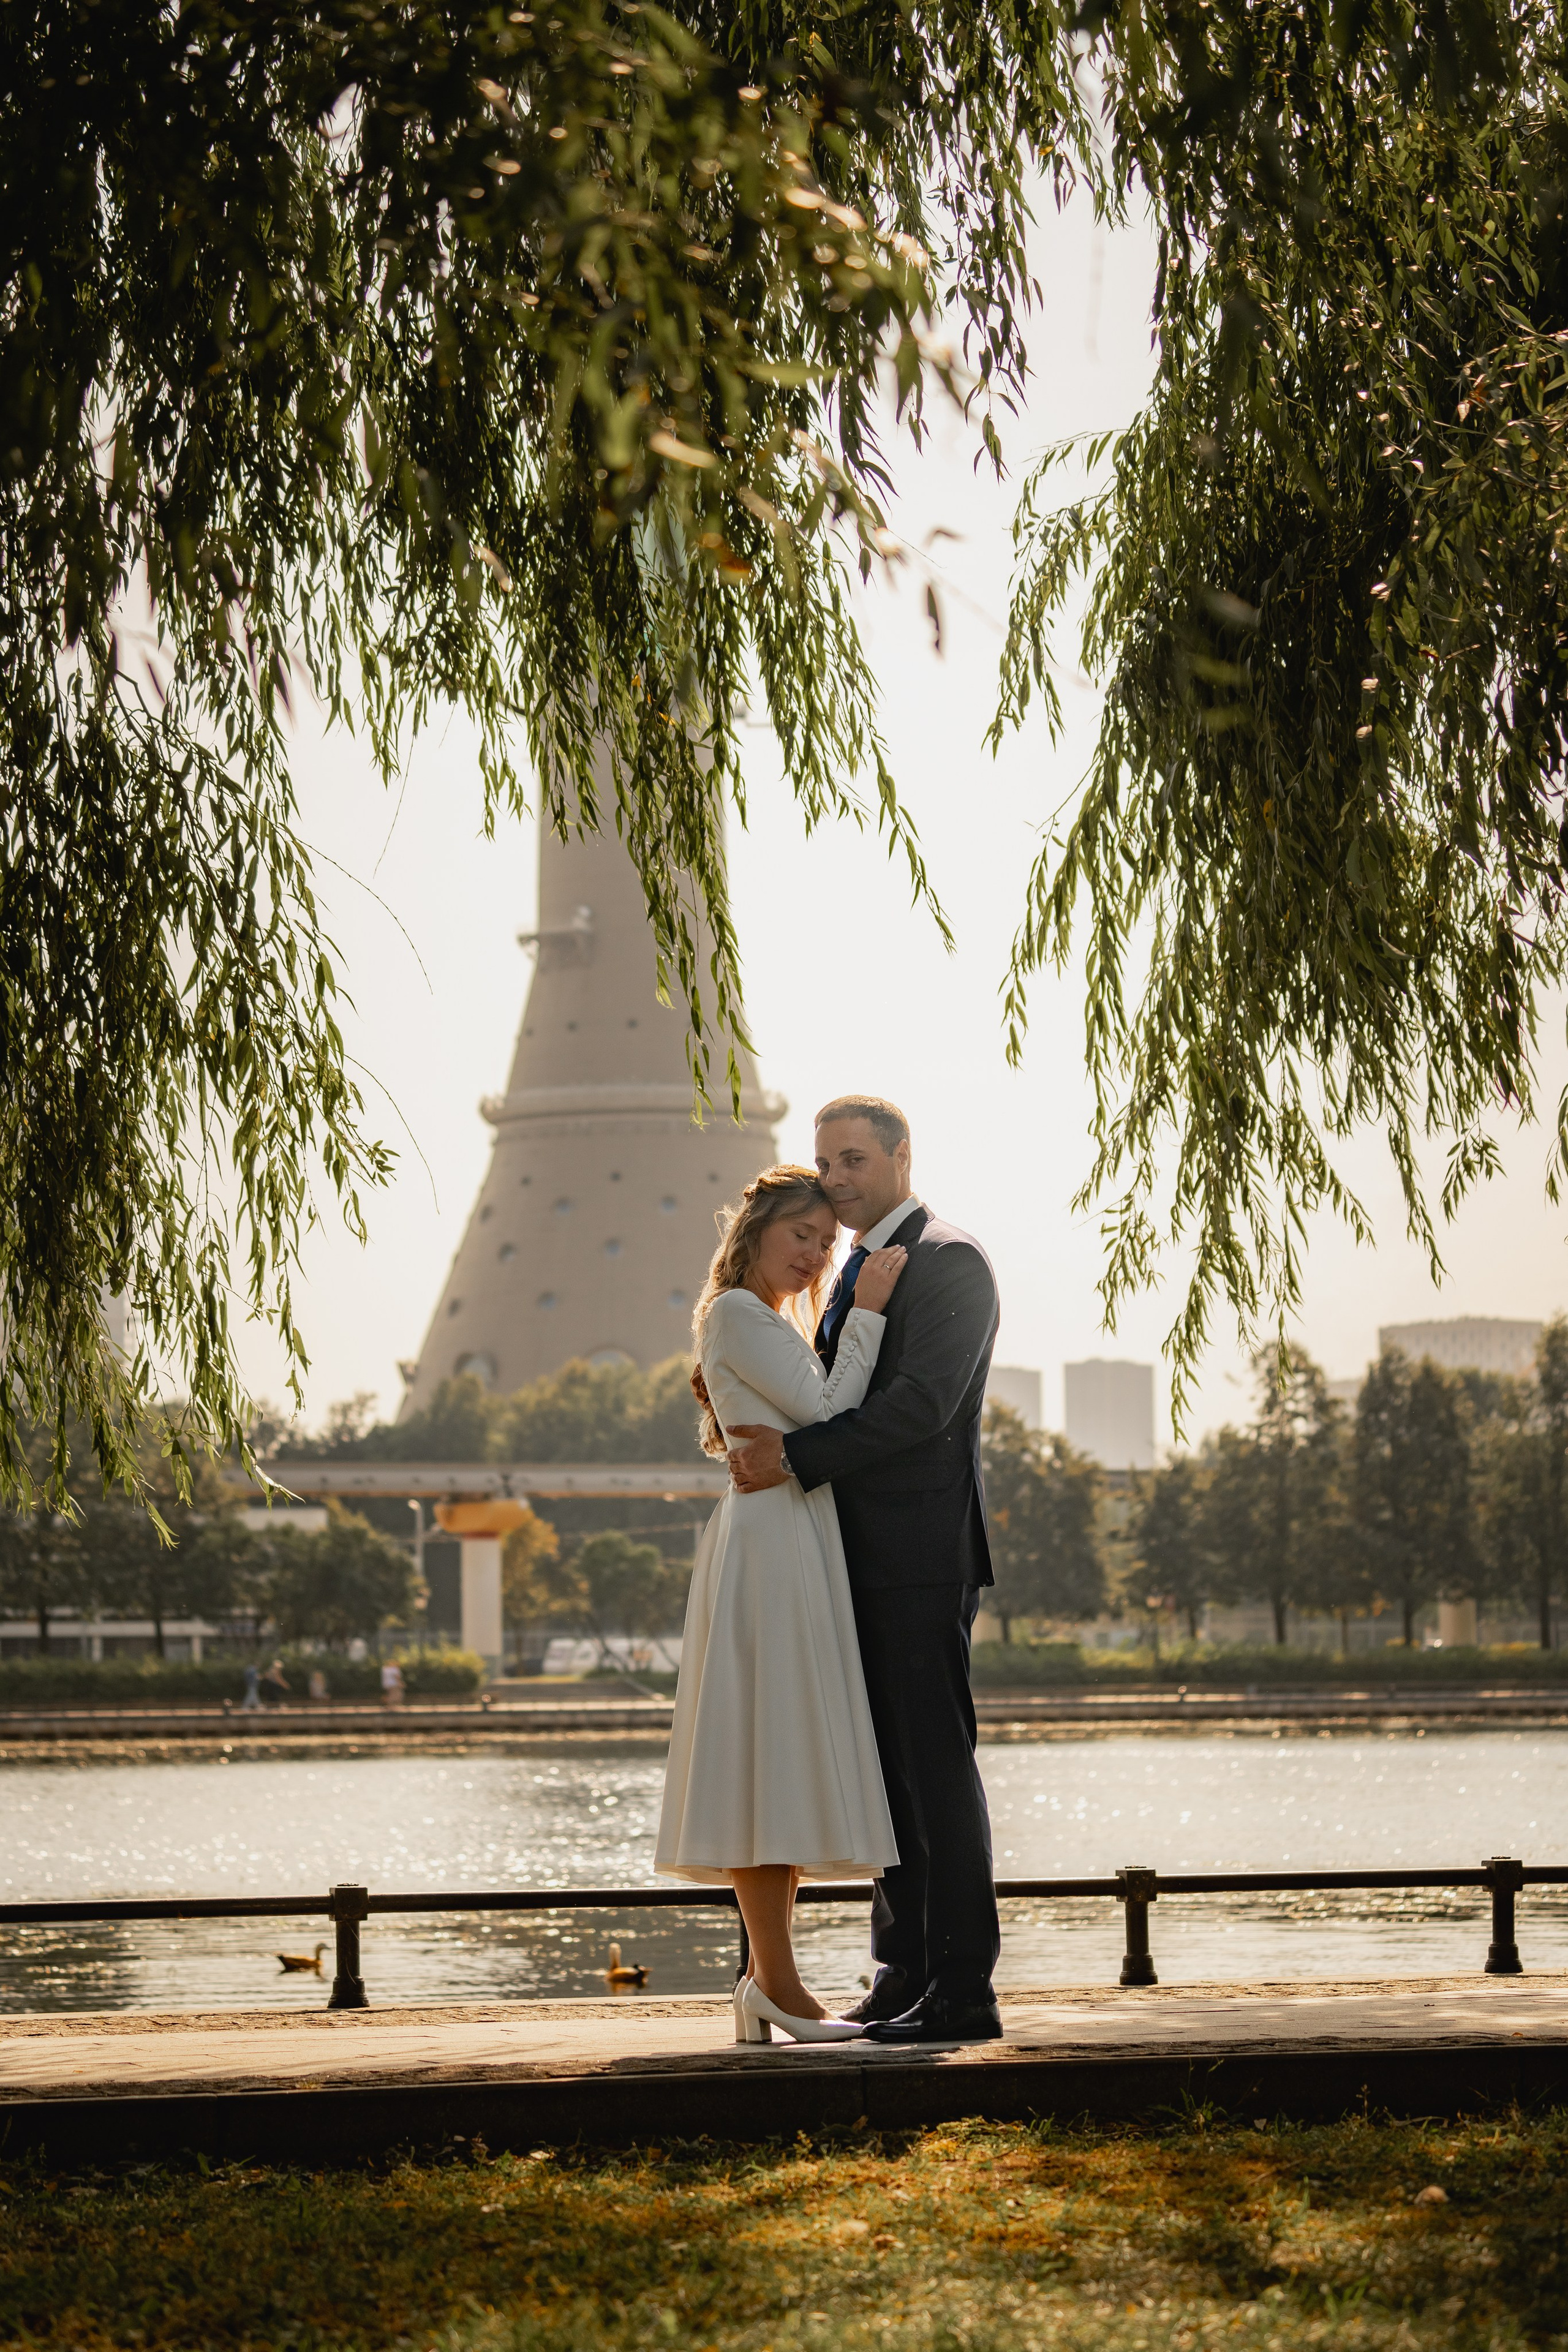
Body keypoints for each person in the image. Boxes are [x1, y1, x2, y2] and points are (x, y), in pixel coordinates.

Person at [728, 1096, 1003, 2045]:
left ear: (899, 1155)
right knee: (887, 1778)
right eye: (824, 1163)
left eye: (852, 1160)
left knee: (933, 1768)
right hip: (854, 1560)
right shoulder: (859, 1269)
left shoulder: (949, 1261)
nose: (837, 1179)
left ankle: (965, 1987)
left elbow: (922, 1408)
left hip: (920, 1560)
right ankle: (903, 1973)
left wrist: (795, 1463)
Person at [655, 1164, 908, 2045]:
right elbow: (835, 1410)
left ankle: (768, 1986)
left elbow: (811, 1419)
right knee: (766, 1764)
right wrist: (869, 1309)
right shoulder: (735, 1312)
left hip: (788, 1537)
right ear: (755, 1232)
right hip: (771, 1546)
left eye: (829, 1245)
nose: (818, 1256)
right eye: (803, 1236)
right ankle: (778, 1987)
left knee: (777, 1765)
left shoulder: (763, 1320)